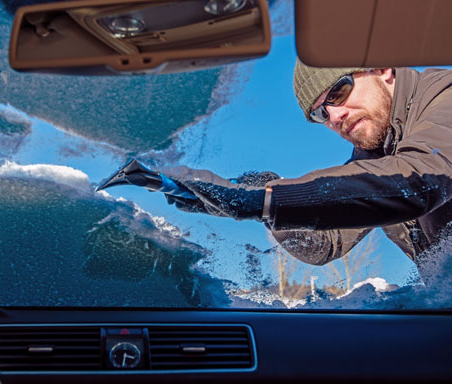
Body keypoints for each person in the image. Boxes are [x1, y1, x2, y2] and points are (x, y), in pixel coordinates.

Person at [167, 60, 452, 266]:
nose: (335, 117)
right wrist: (256, 193)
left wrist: (267, 199)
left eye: (339, 92)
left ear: (382, 68)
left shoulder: (445, 97)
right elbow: (323, 245)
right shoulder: (375, 153)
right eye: (320, 115)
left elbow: (418, 180)